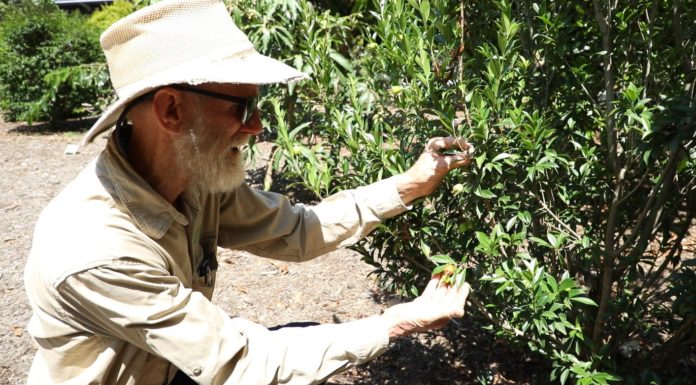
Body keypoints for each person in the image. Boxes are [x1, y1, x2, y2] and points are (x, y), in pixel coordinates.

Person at [23, 1, 475, 384]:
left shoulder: (195, 179)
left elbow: (298, 230)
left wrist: (412, 183)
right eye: (242, 107)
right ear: (171, 109)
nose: (256, 127)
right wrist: (397, 322)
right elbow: (236, 362)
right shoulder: (96, 249)